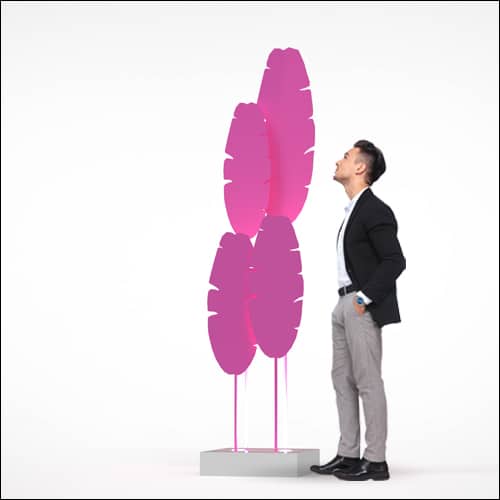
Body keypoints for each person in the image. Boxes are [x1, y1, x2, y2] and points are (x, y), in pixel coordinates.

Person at [310, 140, 406, 481]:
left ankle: (376, 461)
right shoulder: (352, 211)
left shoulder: (375, 210)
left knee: (367, 381)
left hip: (359, 305)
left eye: (346, 157)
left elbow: (395, 261)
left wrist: (363, 299)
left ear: (361, 168)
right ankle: (348, 454)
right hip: (342, 304)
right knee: (342, 380)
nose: (339, 161)